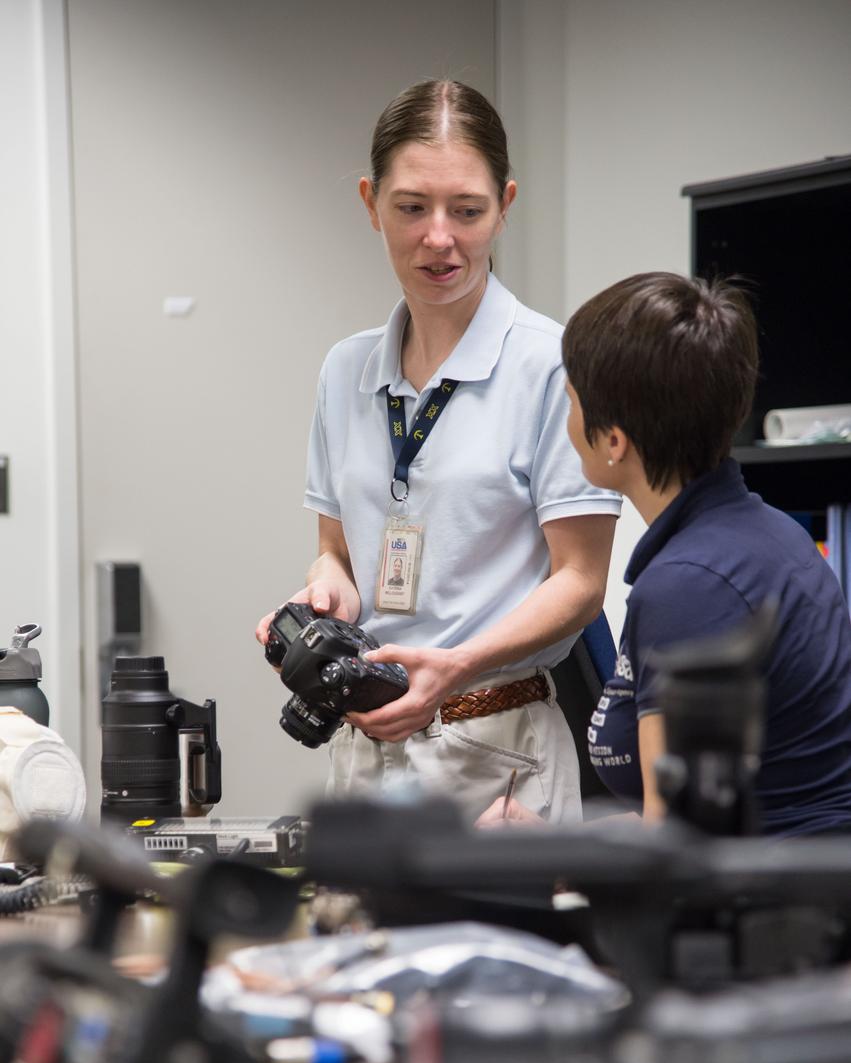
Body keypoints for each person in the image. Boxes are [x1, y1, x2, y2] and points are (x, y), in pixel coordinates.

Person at [256, 79, 620, 822]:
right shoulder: (345, 370)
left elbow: (581, 581)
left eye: (468, 210)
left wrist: (454, 665)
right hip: (367, 745)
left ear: (505, 205)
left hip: (499, 748)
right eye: (412, 207)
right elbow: (336, 553)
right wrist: (322, 597)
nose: (439, 237)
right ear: (370, 203)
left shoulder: (554, 365)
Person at [480, 272, 851, 836]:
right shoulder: (769, 535)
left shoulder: (688, 586)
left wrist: (550, 863)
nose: (566, 419)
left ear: (614, 441)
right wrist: (556, 841)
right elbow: (676, 815)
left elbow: (675, 849)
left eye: (571, 402)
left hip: (767, 885)